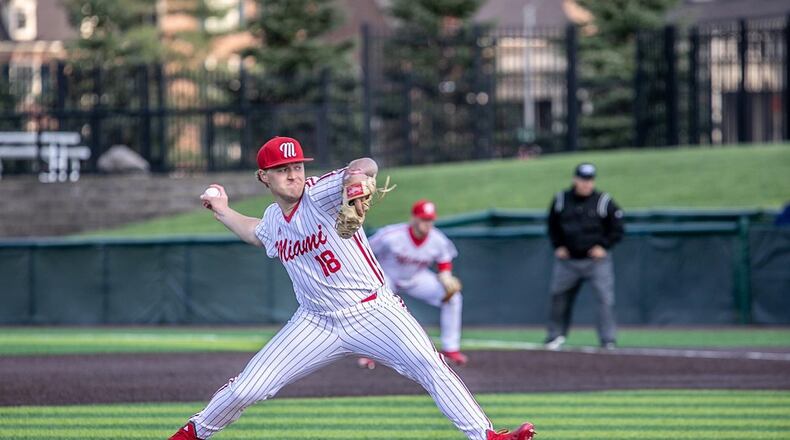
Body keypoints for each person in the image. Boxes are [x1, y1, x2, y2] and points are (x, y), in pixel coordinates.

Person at [168, 136, 536, 440]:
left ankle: (486, 436)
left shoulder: (320, 194)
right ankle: (192, 433)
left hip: (374, 311)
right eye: (282, 169)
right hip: (315, 322)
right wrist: (221, 209)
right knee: (248, 388)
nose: (293, 174)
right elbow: (254, 232)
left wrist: (357, 176)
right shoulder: (274, 220)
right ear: (264, 177)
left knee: (429, 365)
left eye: (297, 166)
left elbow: (365, 164)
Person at [357, 199, 467, 370]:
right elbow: (365, 251)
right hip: (388, 276)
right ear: (414, 218)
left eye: (430, 220)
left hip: (416, 277)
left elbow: (444, 261)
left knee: (453, 298)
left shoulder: (437, 239)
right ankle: (370, 352)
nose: (427, 223)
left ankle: (451, 348)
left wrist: (446, 276)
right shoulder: (391, 235)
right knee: (376, 305)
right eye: (424, 219)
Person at [544, 162, 624, 350]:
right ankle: (555, 336)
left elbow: (618, 228)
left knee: (605, 299)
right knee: (559, 297)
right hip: (568, 261)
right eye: (583, 179)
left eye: (590, 179)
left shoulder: (603, 201)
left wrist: (604, 246)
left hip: (596, 261)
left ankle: (608, 339)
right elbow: (552, 225)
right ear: (575, 180)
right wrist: (558, 245)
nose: (586, 183)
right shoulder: (561, 199)